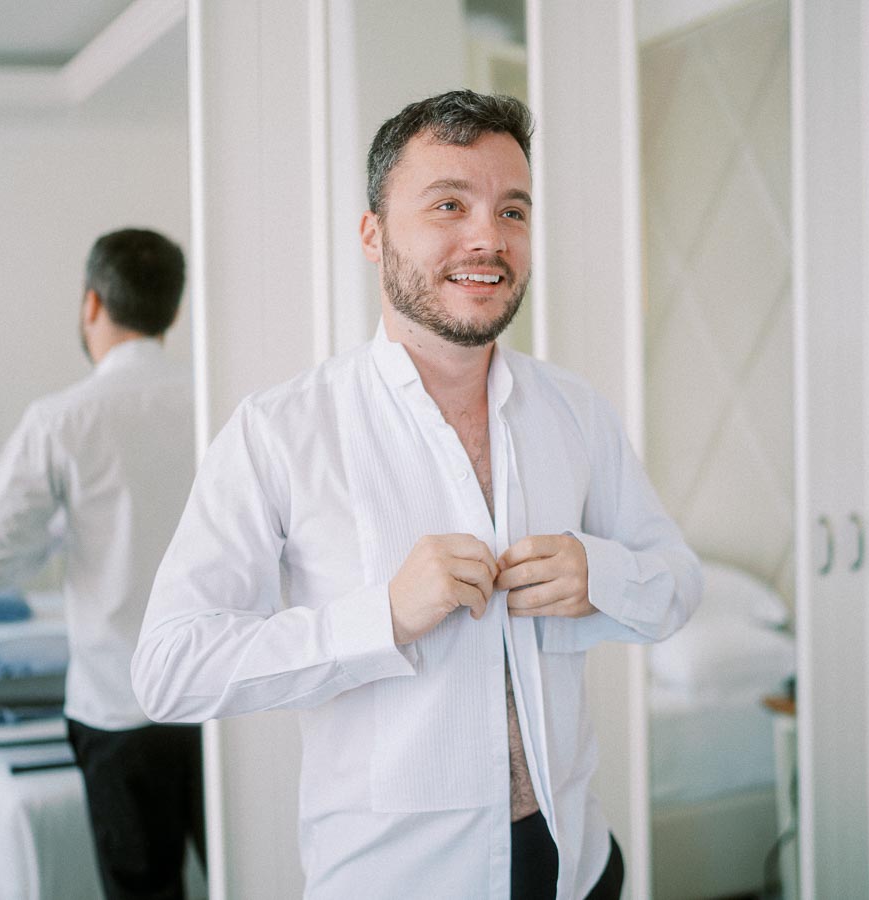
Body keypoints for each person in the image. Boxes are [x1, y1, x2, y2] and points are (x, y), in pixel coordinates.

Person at [132, 91, 701, 899]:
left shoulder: (576, 412)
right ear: (373, 233)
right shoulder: (279, 432)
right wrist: (382, 618)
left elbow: (678, 581)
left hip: (576, 866)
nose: (487, 238)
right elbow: (169, 667)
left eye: (513, 210)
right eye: (448, 205)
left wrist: (598, 573)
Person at [0, 227, 204, 900]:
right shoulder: (223, 403)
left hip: (117, 705)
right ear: (172, 311)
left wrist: (59, 532)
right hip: (224, 701)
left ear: (91, 304)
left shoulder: (61, 420)